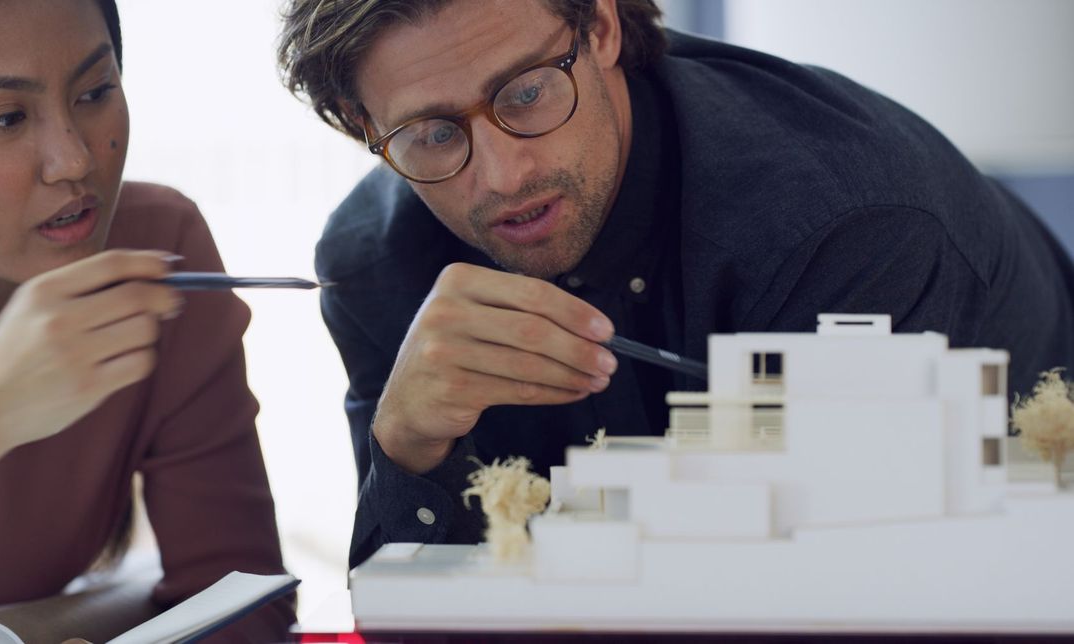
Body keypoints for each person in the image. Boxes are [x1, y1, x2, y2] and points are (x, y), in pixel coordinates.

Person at [277, 0, 1074, 568]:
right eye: (433, 134)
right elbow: (409, 613)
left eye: (527, 91)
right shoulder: (372, 262)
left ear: (601, 25)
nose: (503, 176)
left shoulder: (846, 222)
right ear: (360, 126)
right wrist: (407, 448)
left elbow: (839, 594)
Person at [0, 0, 293, 639]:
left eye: (95, 92)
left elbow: (241, 603)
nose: (75, 161)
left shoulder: (159, 248)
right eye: (3, 117)